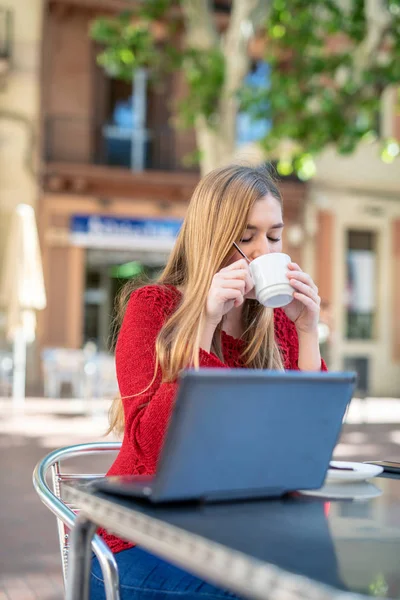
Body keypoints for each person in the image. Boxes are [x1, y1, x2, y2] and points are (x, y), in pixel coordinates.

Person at [91, 164, 326, 599]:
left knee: (326, 575)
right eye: (246, 236)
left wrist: (310, 332)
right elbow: (154, 441)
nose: (262, 252)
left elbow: (307, 446)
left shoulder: (280, 326)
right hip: (143, 537)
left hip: (238, 532)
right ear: (211, 239)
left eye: (273, 237)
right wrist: (203, 323)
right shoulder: (152, 309)